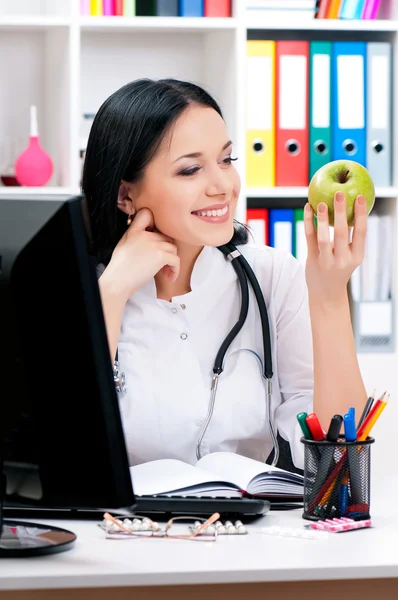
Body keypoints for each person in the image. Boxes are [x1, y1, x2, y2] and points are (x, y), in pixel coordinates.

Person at [82, 78, 368, 470]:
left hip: (243, 527)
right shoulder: (85, 285)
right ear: (125, 195)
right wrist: (111, 293)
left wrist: (330, 296)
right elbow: (61, 449)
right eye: (190, 170)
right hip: (116, 527)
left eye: (226, 160)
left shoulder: (271, 276)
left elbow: (340, 464)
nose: (222, 185)